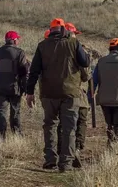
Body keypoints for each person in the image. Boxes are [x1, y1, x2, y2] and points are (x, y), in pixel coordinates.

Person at [26, 18, 90, 172]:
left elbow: (34, 71)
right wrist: (75, 42)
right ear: (63, 30)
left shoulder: (42, 46)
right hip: (70, 94)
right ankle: (66, 163)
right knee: (69, 128)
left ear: (51, 30)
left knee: (50, 126)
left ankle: (50, 160)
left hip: (48, 94)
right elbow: (85, 62)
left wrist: (29, 93)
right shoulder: (73, 44)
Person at [55, 22, 90, 168]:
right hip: (78, 95)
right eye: (75, 33)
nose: (76, 36)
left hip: (61, 94)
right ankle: (76, 149)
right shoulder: (78, 50)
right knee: (80, 123)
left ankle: (63, 151)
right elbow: (86, 76)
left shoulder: (56, 50)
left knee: (64, 124)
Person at [0, 31, 30, 142]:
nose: (18, 41)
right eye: (17, 39)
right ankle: (17, 136)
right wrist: (26, 88)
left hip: (0, 88)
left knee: (1, 112)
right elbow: (25, 72)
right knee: (15, 112)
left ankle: (1, 137)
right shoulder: (20, 53)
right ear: (14, 40)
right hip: (15, 89)